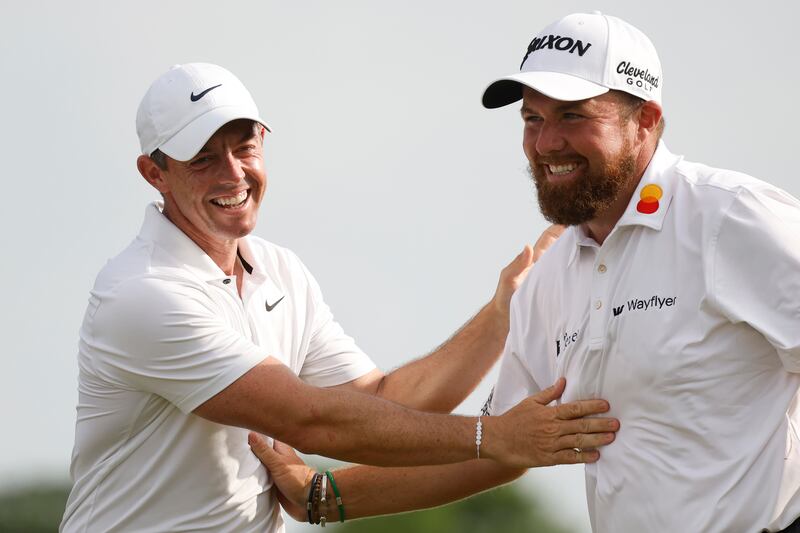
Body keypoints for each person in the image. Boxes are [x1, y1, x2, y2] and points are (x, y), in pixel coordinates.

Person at [251, 11, 800, 532]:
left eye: (573, 116)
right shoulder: (548, 278)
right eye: (533, 119)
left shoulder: (732, 218)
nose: (545, 143)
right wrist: (329, 496)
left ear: (647, 121)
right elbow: (498, 448)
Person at [59, 62, 620, 532]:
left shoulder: (279, 270)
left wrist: (504, 312)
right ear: (153, 173)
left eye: (245, 145)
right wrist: (493, 437)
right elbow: (315, 421)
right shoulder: (143, 294)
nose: (234, 173)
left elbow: (385, 404)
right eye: (203, 157)